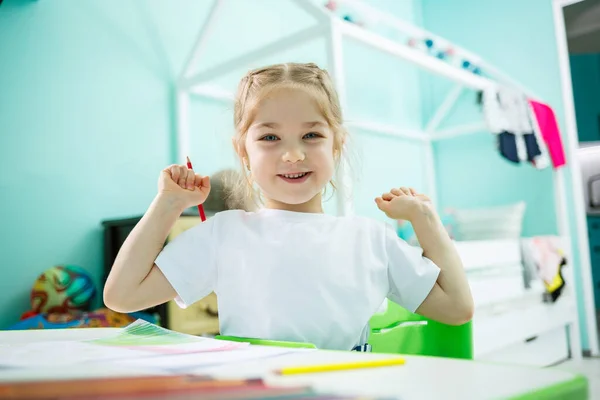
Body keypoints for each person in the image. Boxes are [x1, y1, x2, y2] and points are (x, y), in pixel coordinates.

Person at [104, 62, 473, 351]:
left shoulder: (371, 238)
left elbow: (456, 309)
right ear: (243, 152)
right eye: (269, 137)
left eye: (311, 135)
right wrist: (167, 205)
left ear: (337, 145)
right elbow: (122, 296)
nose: (293, 154)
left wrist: (426, 220)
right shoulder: (226, 233)